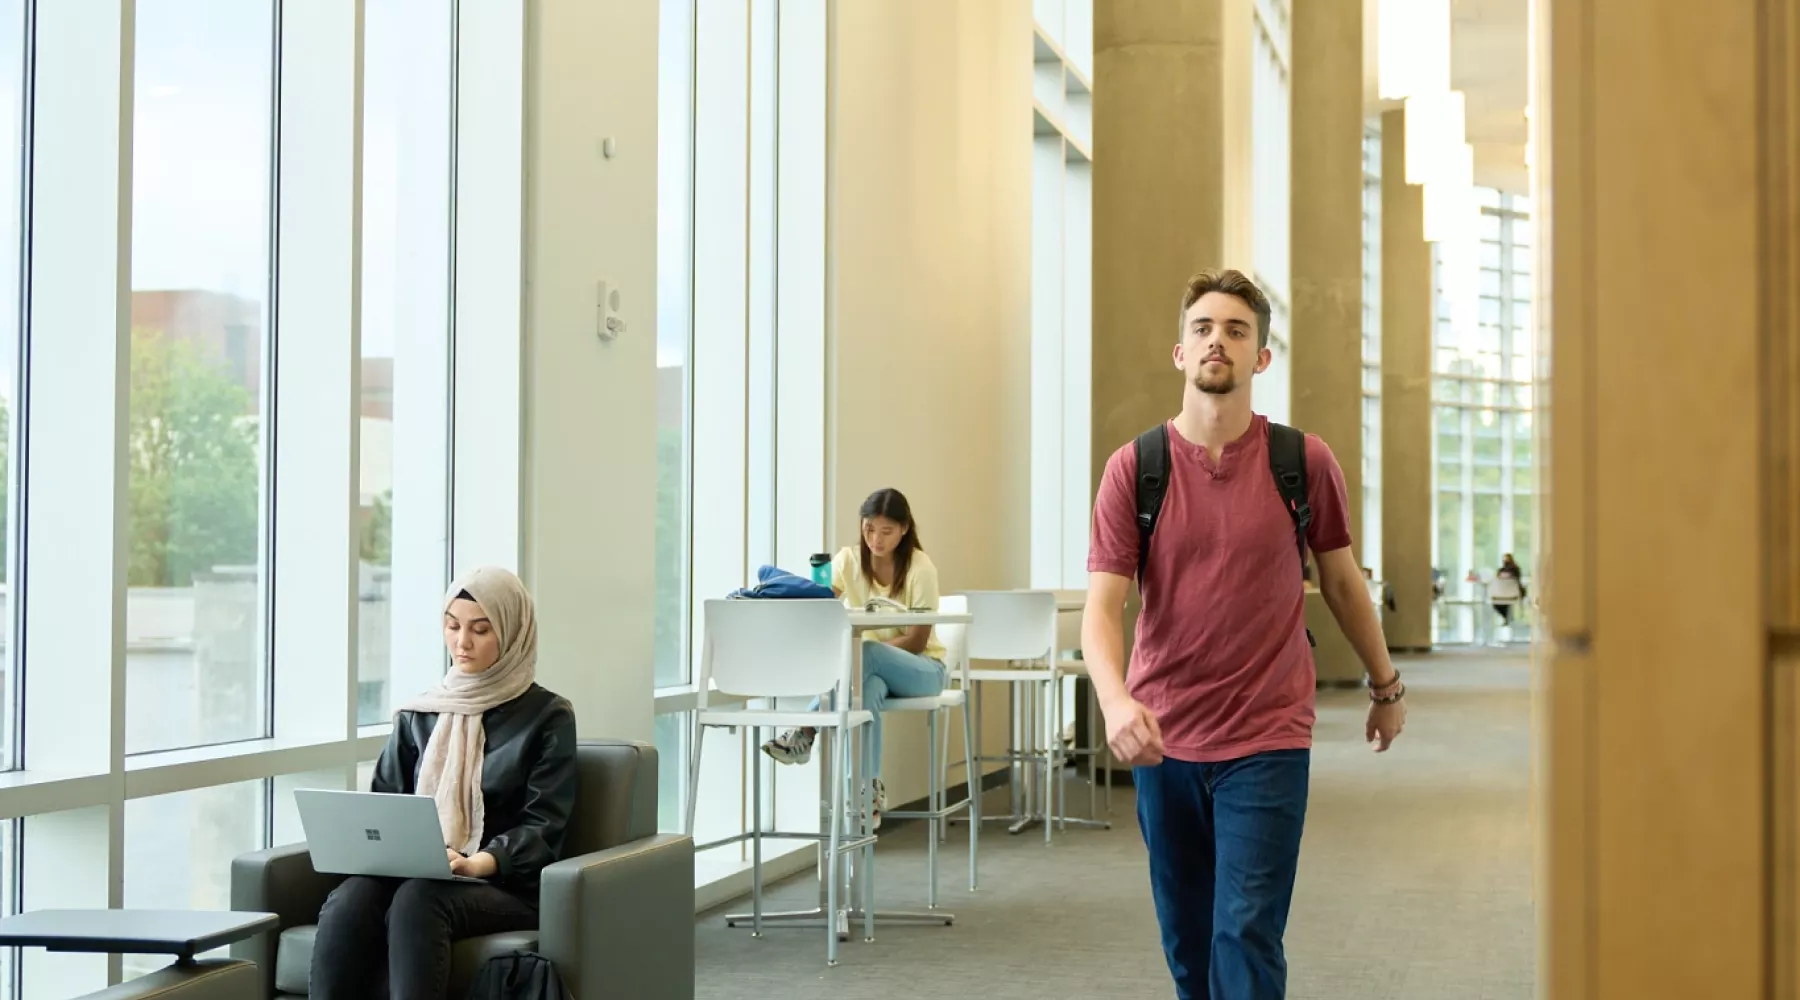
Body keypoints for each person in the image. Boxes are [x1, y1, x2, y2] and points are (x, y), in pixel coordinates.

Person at [1082, 269, 1407, 1000]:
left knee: (1247, 929)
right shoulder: (1137, 470)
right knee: (1190, 942)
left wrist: (1387, 685)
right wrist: (1114, 703)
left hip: (1268, 736)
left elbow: (1344, 582)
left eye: (1235, 330)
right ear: (1179, 352)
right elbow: (1101, 609)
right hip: (1165, 738)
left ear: (1261, 357)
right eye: (1203, 328)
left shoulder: (1302, 462)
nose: (1216, 342)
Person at [310, 566, 578, 1000]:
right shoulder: (420, 713)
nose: (462, 643)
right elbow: (385, 802)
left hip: (503, 884)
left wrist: (477, 862)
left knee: (419, 899)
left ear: (511, 632)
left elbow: (544, 827)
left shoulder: (548, 717)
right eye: (452, 626)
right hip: (419, 871)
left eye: (480, 629)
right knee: (351, 898)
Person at [760, 488, 946, 829]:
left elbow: (919, 641)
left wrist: (864, 656)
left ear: (904, 529)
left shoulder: (920, 567)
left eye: (886, 531)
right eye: (869, 528)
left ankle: (805, 729)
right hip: (871, 672)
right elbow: (823, 608)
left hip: (924, 671)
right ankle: (867, 792)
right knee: (867, 688)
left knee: (867, 653)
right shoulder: (848, 560)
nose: (875, 538)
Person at [1490, 553, 1525, 632]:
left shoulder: (1515, 570)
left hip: (1511, 594)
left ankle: (1507, 618)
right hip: (1504, 594)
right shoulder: (1502, 570)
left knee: (1504, 604)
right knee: (1502, 605)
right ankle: (1507, 617)